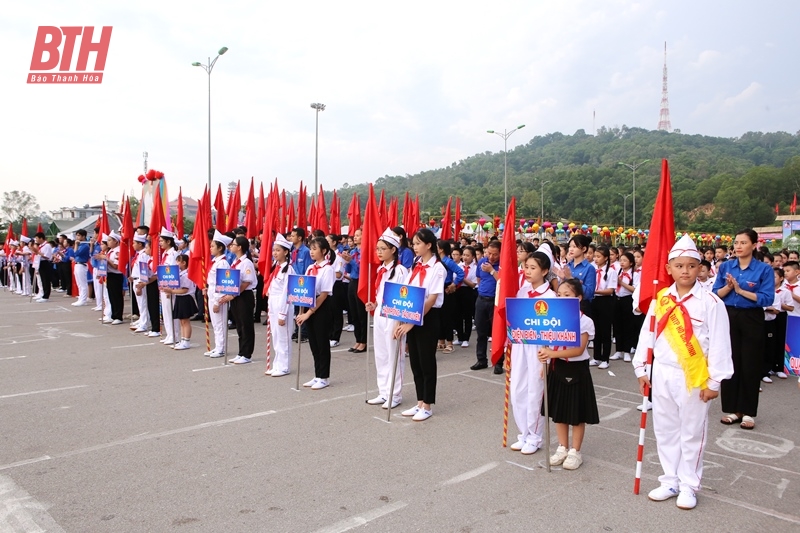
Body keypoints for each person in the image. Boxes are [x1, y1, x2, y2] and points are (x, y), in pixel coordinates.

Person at [634, 234, 733, 510]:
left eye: (691, 265)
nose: (685, 271)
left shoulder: (711, 303)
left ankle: (689, 485)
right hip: (662, 372)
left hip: (694, 376)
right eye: (679, 266)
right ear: (669, 268)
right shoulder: (661, 299)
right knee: (665, 429)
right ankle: (669, 480)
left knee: (691, 432)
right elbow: (648, 335)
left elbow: (720, 344)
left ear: (700, 267)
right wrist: (642, 368)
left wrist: (714, 381)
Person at [713, 229, 773, 431]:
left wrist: (740, 291)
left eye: (743, 242)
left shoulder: (763, 269)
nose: (738, 246)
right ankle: (732, 409)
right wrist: (730, 288)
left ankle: (748, 412)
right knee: (731, 362)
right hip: (728, 315)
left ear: (754, 245)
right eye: (736, 243)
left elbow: (767, 298)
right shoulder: (727, 267)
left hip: (752, 317)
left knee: (750, 363)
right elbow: (716, 294)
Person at [539, 278, 599, 470]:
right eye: (559, 295)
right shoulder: (553, 319)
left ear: (579, 298)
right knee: (559, 411)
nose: (562, 298)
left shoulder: (585, 321)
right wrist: (545, 361)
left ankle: (575, 451)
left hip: (576, 368)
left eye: (567, 295)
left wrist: (552, 354)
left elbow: (578, 350)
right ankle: (562, 447)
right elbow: (546, 343)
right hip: (557, 367)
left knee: (577, 413)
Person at [393, 228, 446, 422]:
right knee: (415, 361)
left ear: (429, 245)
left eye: (417, 243)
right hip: (411, 314)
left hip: (427, 317)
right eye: (413, 243)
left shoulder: (438, 268)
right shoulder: (416, 264)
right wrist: (401, 318)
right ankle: (419, 401)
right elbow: (406, 290)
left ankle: (428, 405)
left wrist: (413, 321)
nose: (414, 247)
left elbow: (432, 298)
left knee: (426, 361)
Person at [508, 251, 556, 455]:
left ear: (545, 271)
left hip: (540, 347)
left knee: (535, 390)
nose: (527, 271)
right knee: (517, 389)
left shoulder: (551, 296)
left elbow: (556, 328)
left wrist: (549, 352)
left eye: (533, 268)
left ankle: (535, 437)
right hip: (520, 344)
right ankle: (524, 433)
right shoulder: (521, 291)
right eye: (526, 266)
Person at [365, 229, 409, 408]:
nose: (379, 252)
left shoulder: (400, 270)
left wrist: (400, 320)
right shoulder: (381, 269)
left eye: (383, 248)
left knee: (394, 355)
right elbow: (381, 294)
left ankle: (395, 394)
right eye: (377, 249)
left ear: (393, 250)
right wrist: (374, 305)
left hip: (394, 316)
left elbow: (403, 296)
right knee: (381, 354)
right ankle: (383, 391)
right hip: (380, 314)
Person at [296, 236, 336, 389]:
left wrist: (309, 313)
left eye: (315, 249)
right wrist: (302, 310)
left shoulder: (328, 269)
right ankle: (317, 374)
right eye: (310, 248)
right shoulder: (310, 268)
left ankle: (324, 376)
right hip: (309, 305)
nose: (311, 252)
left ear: (324, 251)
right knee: (313, 342)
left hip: (322, 307)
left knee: (321, 342)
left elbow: (324, 294)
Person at [222, 236, 258, 364]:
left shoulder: (246, 263)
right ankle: (241, 352)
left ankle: (247, 354)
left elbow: (246, 282)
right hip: (235, 295)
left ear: (240, 247)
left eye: (234, 244)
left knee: (245, 324)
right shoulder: (235, 262)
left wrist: (233, 294)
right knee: (239, 324)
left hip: (244, 296)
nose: (231, 246)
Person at [266, 233, 295, 376]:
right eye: (274, 250)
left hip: (283, 304)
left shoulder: (288, 269)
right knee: (276, 335)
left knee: (283, 336)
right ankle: (277, 363)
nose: (275, 253)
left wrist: (283, 313)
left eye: (278, 250)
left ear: (286, 252)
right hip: (273, 302)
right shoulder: (275, 266)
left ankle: (284, 366)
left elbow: (287, 293)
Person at [472, 240, 500, 372]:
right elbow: (479, 279)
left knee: (497, 332)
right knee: (481, 332)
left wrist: (492, 271)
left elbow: (503, 282)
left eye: (495, 254)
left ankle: (498, 362)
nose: (491, 257)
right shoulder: (481, 261)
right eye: (489, 253)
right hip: (482, 299)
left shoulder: (503, 264)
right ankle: (481, 360)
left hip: (496, 301)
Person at [203, 231, 232, 358]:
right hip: (212, 294)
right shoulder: (215, 261)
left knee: (220, 323)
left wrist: (217, 301)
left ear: (220, 248)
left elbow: (223, 284)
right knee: (215, 323)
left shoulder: (223, 263)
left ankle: (221, 348)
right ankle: (217, 346)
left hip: (218, 298)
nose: (210, 248)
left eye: (213, 246)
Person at [762, 267, 793, 383]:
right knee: (764, 344)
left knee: (777, 341)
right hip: (762, 319)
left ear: (781, 278)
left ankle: (778, 367)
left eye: (774, 277)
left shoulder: (783, 292)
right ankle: (765, 369)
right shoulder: (763, 291)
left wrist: (777, 305)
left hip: (778, 317)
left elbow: (782, 309)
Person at [162, 254, 197, 350]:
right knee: (181, 321)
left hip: (185, 298)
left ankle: (187, 341)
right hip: (180, 297)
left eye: (178, 261)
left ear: (184, 263)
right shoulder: (180, 274)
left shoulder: (186, 275)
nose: (176, 263)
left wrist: (171, 291)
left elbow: (185, 290)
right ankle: (182, 339)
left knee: (185, 321)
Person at [590, 245, 617, 368]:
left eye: (598, 257)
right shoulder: (592, 269)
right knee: (595, 330)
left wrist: (594, 291)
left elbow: (610, 290)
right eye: (595, 256)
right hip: (594, 301)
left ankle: (605, 358)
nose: (596, 259)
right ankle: (596, 357)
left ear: (606, 258)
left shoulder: (611, 272)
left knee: (605, 330)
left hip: (605, 301)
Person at [437, 240, 464, 353]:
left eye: (436, 247)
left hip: (447, 289)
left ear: (441, 249)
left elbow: (460, 273)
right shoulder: (437, 261)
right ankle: (441, 341)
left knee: (447, 317)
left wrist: (453, 284)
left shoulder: (448, 261)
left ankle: (450, 343)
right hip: (438, 289)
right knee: (439, 317)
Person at [343, 229, 367, 353]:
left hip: (361, 282)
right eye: (355, 235)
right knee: (353, 313)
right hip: (352, 282)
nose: (355, 237)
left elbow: (361, 269)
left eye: (358, 235)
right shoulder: (353, 251)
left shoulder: (366, 252)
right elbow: (348, 269)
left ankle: (363, 341)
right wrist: (347, 260)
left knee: (361, 313)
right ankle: (358, 340)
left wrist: (351, 260)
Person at [611, 252, 638, 363]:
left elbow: (635, 289)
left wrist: (621, 283)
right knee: (617, 325)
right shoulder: (617, 272)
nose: (622, 262)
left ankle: (627, 351)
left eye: (625, 260)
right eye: (621, 260)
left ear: (631, 263)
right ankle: (618, 350)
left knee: (627, 326)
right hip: (617, 299)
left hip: (628, 300)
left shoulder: (635, 275)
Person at [563, 235, 596, 317]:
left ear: (584, 249)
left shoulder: (589, 268)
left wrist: (572, 279)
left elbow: (589, 293)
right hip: (567, 304)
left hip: (583, 306)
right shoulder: (568, 266)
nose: (571, 249)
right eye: (570, 246)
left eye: (574, 246)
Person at [157, 228, 180, 345]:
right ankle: (169, 334)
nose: (160, 243)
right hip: (163, 286)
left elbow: (173, 272)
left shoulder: (173, 254)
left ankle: (175, 335)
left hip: (170, 288)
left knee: (171, 311)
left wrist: (170, 288)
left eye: (162, 241)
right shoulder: (165, 254)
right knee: (165, 312)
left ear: (169, 242)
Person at [289, 227, 312, 342]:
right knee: (296, 308)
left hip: (303, 283)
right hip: (294, 282)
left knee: (303, 308)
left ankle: (304, 332)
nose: (291, 238)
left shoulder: (306, 252)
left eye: (293, 236)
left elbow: (308, 269)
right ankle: (297, 330)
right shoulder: (293, 251)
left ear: (299, 238)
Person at [456, 245, 478, 348]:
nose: (465, 257)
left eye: (467, 255)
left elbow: (473, 284)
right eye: (464, 255)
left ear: (473, 256)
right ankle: (460, 337)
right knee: (458, 315)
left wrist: (462, 278)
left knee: (467, 316)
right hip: (458, 290)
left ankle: (466, 338)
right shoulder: (459, 266)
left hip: (469, 292)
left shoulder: (475, 268)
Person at [129, 234, 150, 333]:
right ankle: (142, 320)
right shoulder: (139, 255)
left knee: (143, 304)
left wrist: (141, 285)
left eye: (134, 243)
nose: (133, 245)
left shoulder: (143, 255)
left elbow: (144, 271)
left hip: (140, 281)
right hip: (136, 279)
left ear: (140, 244)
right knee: (140, 304)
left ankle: (144, 323)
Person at [33, 232, 54, 302]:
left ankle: (46, 296)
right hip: (40, 263)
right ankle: (43, 294)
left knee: (46, 280)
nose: (36, 240)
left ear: (41, 238)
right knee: (42, 280)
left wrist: (38, 252)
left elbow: (47, 256)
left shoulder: (47, 246)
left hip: (45, 263)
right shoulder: (41, 246)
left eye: (37, 238)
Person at [72, 230, 91, 306]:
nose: (77, 237)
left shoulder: (85, 245)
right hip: (77, 264)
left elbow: (76, 253)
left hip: (82, 264)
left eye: (79, 235)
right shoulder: (80, 245)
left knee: (83, 283)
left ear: (83, 236)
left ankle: (83, 300)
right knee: (79, 283)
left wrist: (76, 245)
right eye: (77, 235)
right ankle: (81, 298)